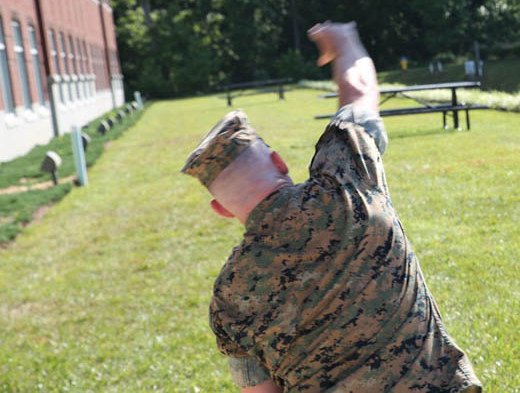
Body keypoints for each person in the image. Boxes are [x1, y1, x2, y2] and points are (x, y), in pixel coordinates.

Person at [181, 21, 482, 393]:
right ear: (278, 162)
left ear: (221, 209)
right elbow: (359, 92)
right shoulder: (344, 181)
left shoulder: (229, 297)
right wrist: (342, 40)